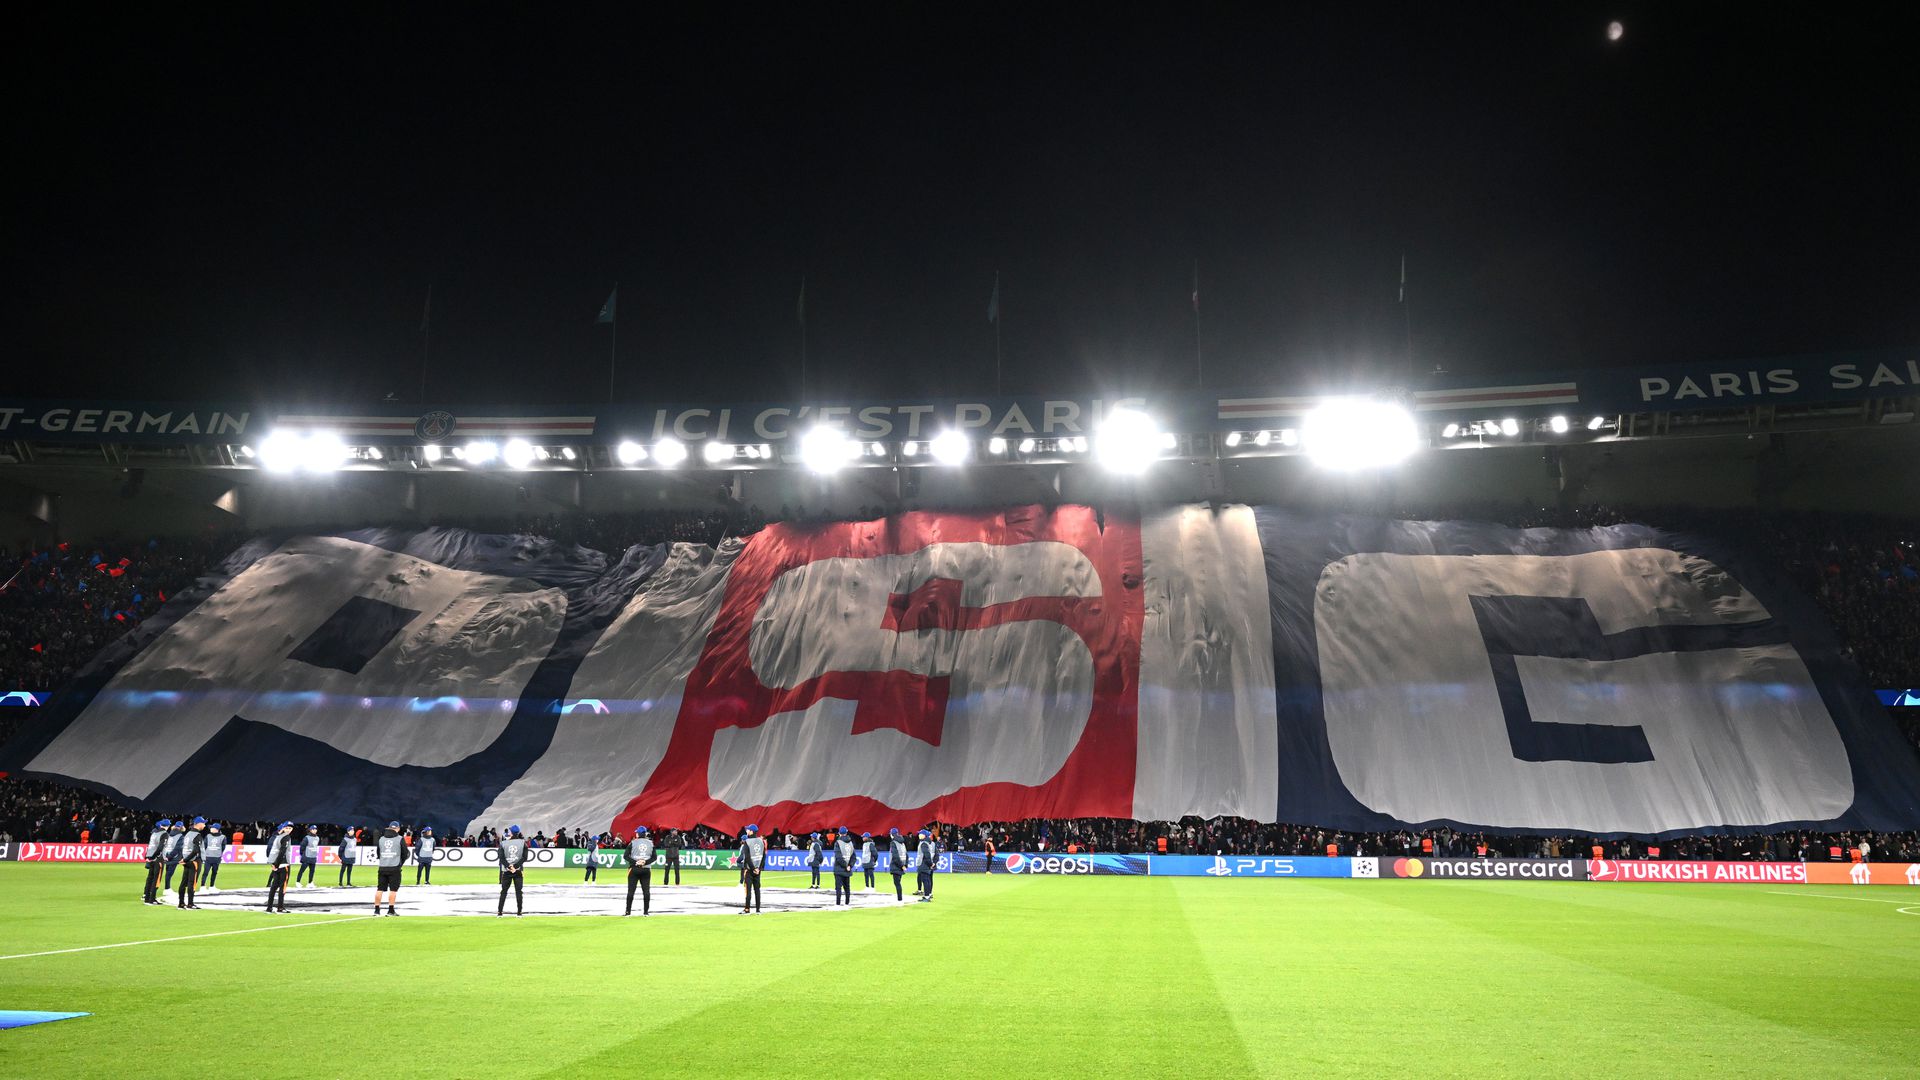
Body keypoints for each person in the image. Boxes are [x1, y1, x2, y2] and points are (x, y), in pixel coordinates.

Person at [374, 821, 408, 916]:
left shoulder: (381, 839)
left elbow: (378, 853)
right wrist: (400, 863)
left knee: (379, 889)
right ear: (397, 829)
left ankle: (376, 910)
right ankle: (391, 910)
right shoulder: (400, 838)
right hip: (394, 867)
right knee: (393, 890)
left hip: (382, 867)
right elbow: (405, 853)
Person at [497, 825, 530, 917]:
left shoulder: (503, 843)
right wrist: (515, 866)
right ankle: (519, 913)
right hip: (518, 871)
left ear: (510, 832)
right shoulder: (523, 843)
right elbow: (525, 857)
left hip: (507, 871)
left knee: (503, 892)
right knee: (519, 892)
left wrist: (509, 867)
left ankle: (500, 912)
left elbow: (501, 858)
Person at [176, 817, 207, 909]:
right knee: (192, 883)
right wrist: (185, 860)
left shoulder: (188, 834)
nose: (204, 825)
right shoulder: (197, 835)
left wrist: (183, 859)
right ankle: (190, 904)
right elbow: (196, 851)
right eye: (203, 823)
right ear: (198, 824)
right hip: (194, 861)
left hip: (186, 860)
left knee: (183, 882)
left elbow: (184, 847)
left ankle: (181, 903)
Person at [624, 826, 655, 916]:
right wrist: (645, 862)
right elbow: (654, 857)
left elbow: (625, 856)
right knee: (646, 891)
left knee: (631, 891)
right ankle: (646, 912)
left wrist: (636, 862)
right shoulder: (651, 843)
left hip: (634, 869)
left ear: (638, 834)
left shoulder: (633, 843)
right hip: (646, 869)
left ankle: (628, 912)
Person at [264, 822, 294, 913]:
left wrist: (273, 864)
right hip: (283, 865)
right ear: (284, 828)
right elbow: (282, 851)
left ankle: (269, 907)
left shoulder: (277, 837)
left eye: (290, 828)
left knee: (273, 887)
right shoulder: (286, 837)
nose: (288, 830)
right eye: (287, 828)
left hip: (275, 864)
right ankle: (280, 907)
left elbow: (271, 850)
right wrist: (276, 864)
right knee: (282, 887)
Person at [142, 818, 171, 905]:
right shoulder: (164, 834)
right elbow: (160, 848)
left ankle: (147, 898)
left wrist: (148, 857)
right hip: (158, 858)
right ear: (168, 826)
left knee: (150, 878)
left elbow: (150, 846)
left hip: (151, 858)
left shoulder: (154, 833)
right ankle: (152, 899)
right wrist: (155, 857)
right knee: (157, 878)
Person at [737, 824, 765, 914]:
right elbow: (764, 856)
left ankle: (747, 909)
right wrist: (759, 868)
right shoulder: (761, 841)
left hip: (749, 870)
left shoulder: (747, 842)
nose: (747, 831)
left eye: (748, 830)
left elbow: (747, 858)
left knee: (748, 890)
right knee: (757, 890)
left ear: (752, 831)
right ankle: (758, 910)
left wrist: (752, 868)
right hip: (758, 870)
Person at [831, 827, 856, 906]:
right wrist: (849, 866)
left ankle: (838, 904)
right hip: (847, 869)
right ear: (846, 833)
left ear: (839, 833)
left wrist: (845, 866)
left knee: (838, 888)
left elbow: (838, 857)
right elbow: (853, 857)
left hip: (839, 869)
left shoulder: (838, 843)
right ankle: (847, 903)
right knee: (847, 888)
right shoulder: (851, 843)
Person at [199, 823, 227, 892]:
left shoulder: (223, 837)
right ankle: (202, 886)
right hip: (208, 857)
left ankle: (212, 886)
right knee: (205, 872)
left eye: (212, 828)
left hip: (216, 857)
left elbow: (223, 847)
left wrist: (219, 854)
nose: (210, 829)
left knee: (214, 872)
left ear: (216, 829)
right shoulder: (208, 836)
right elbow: (204, 846)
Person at [160, 819, 186, 891]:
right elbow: (177, 848)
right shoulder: (180, 836)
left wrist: (167, 856)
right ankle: (167, 889)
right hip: (173, 857)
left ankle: (167, 888)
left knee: (168, 873)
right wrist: (170, 856)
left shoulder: (169, 833)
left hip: (167, 854)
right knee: (170, 874)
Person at [915, 829, 936, 902]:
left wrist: (930, 863)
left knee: (925, 880)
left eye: (920, 834)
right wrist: (930, 863)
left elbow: (926, 854)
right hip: (926, 864)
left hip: (923, 864)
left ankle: (927, 896)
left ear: (924, 835)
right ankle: (928, 895)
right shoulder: (927, 842)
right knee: (927, 880)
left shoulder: (924, 843)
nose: (919, 835)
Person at [888, 828, 908, 902]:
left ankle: (900, 899)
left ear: (892, 834)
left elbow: (895, 856)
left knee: (897, 883)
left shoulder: (893, 843)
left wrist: (901, 865)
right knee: (898, 883)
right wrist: (905, 865)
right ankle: (900, 898)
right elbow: (906, 855)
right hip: (901, 865)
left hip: (896, 866)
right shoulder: (902, 843)